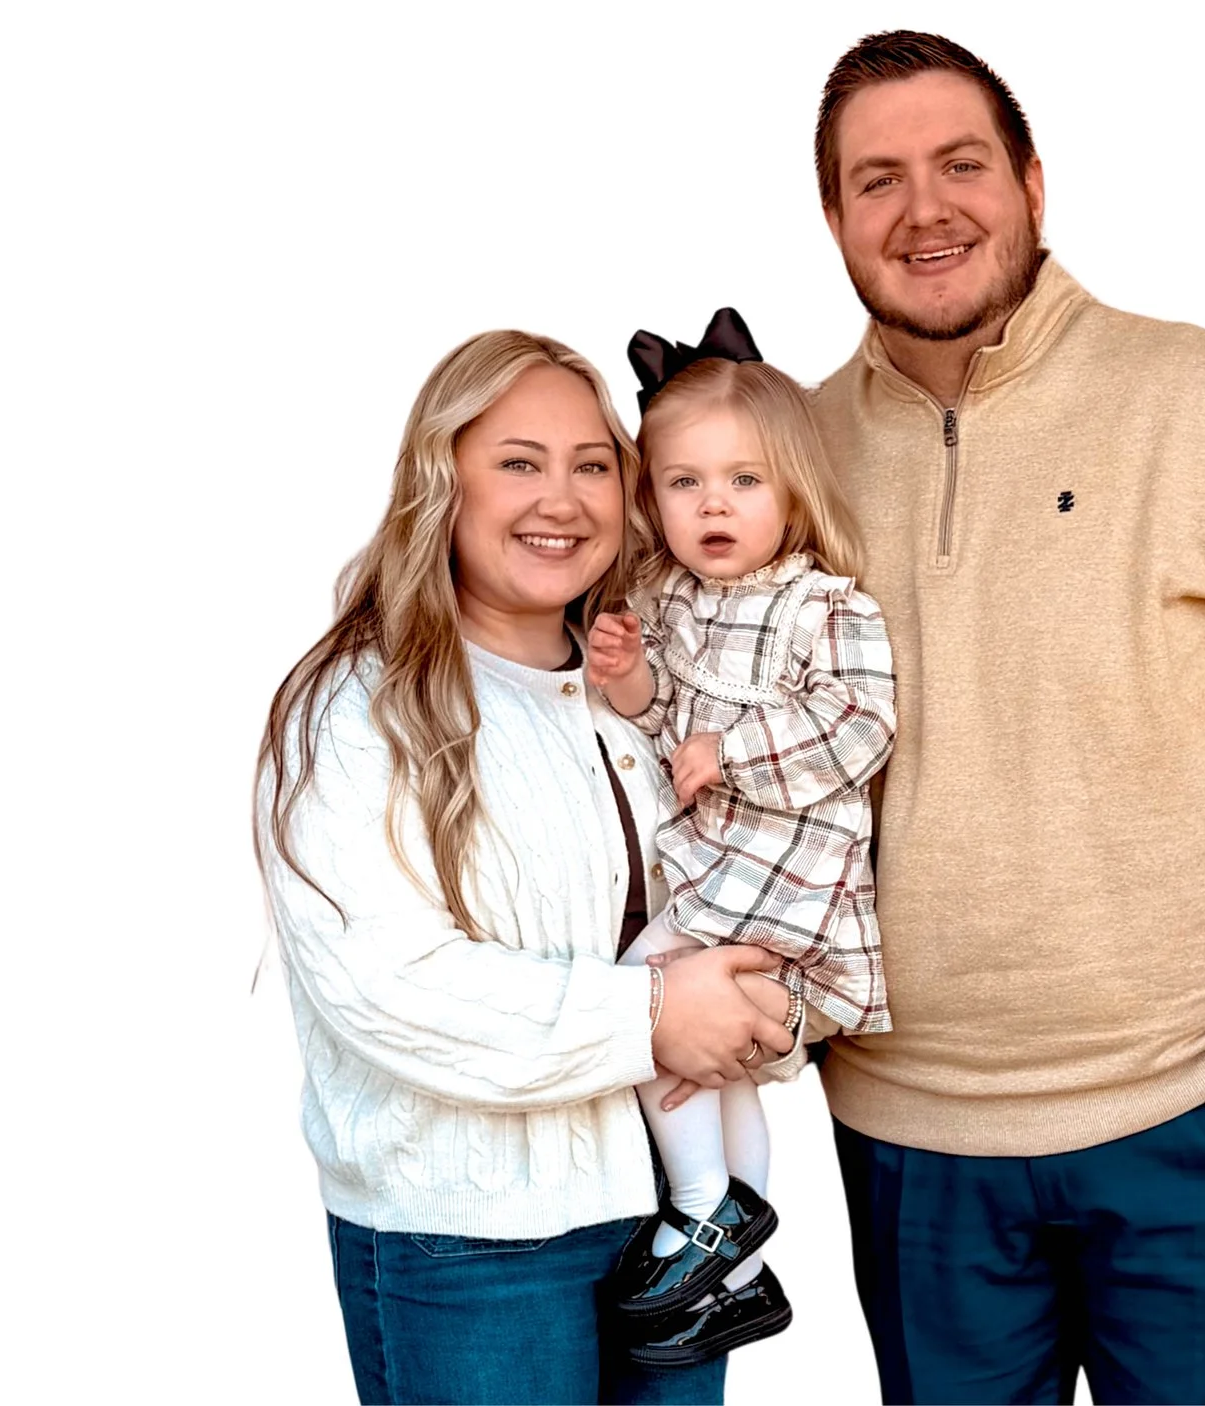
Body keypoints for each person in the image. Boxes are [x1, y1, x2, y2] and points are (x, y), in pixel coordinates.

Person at [793, 30, 1205, 1405]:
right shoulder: (780, 457)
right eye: (878, 180)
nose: (924, 209)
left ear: (1033, 183)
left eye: (962, 164)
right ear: (834, 217)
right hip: (914, 1131)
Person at [252, 329, 801, 1405]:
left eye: (591, 463)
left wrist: (767, 1006)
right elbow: (389, 986)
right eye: (518, 461)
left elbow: (742, 878)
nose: (562, 498)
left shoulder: (643, 690)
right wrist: (654, 1017)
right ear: (441, 481)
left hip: (676, 1224)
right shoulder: (359, 708)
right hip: (476, 1243)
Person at [584, 310, 896, 1367]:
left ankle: (702, 1208)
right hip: (716, 870)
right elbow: (661, 727)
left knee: (644, 998)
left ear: (795, 491)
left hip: (785, 873)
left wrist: (733, 750)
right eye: (684, 482)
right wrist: (630, 676)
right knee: (717, 1069)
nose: (712, 504)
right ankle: (736, 1265)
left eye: (744, 481)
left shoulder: (827, 608)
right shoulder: (672, 600)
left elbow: (860, 725)